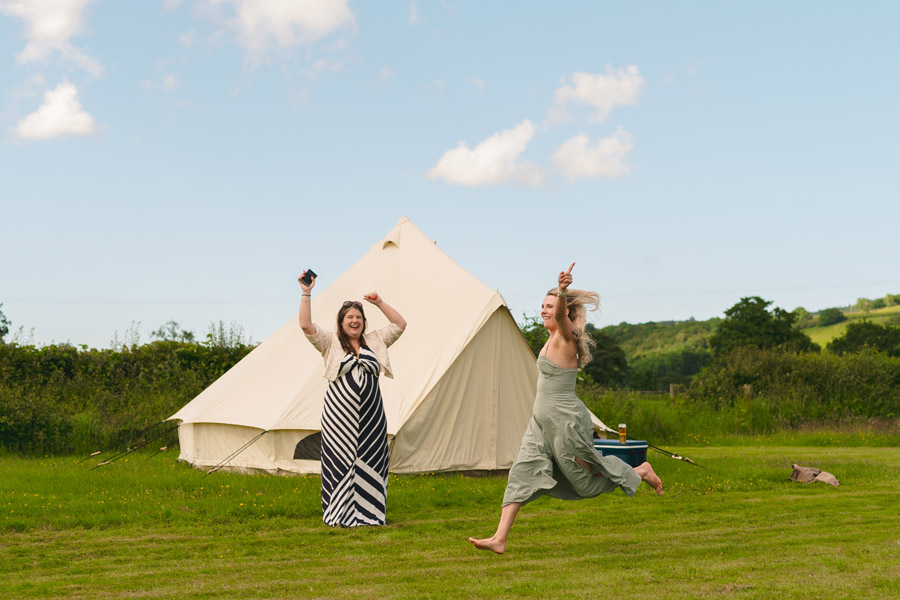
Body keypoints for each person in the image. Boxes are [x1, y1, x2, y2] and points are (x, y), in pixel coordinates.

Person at [468, 263, 662, 554]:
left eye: (549, 306)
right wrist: (558, 295)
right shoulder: (551, 340)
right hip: (540, 422)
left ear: (565, 311)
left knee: (584, 484)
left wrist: (561, 291)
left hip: (564, 420)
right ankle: (499, 538)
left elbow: (560, 315)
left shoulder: (566, 337)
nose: (544, 311)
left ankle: (639, 472)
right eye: (542, 306)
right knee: (521, 473)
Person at [298, 270, 407, 527]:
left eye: (358, 317)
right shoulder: (330, 342)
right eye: (350, 317)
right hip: (339, 417)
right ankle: (339, 514)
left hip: (372, 416)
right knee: (339, 461)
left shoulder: (376, 341)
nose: (354, 321)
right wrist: (306, 293)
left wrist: (379, 302)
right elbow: (306, 326)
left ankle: (370, 514)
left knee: (372, 460)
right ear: (341, 321)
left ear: (363, 322)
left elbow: (400, 325)